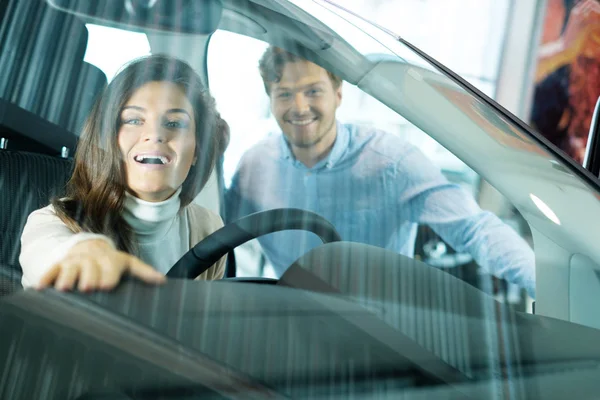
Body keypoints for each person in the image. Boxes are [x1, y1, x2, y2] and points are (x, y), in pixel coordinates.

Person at [226, 47, 536, 298]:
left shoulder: (391, 162)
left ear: (338, 94)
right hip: (293, 321)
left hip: (381, 330)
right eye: (284, 94)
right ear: (270, 99)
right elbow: (217, 235)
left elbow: (474, 229)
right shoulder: (255, 165)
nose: (299, 106)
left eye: (312, 91)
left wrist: (543, 286)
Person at [20, 54, 227, 292]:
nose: (155, 134)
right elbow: (51, 254)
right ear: (108, 140)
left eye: (174, 123)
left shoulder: (209, 228)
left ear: (197, 151)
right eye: (134, 120)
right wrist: (86, 253)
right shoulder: (51, 222)